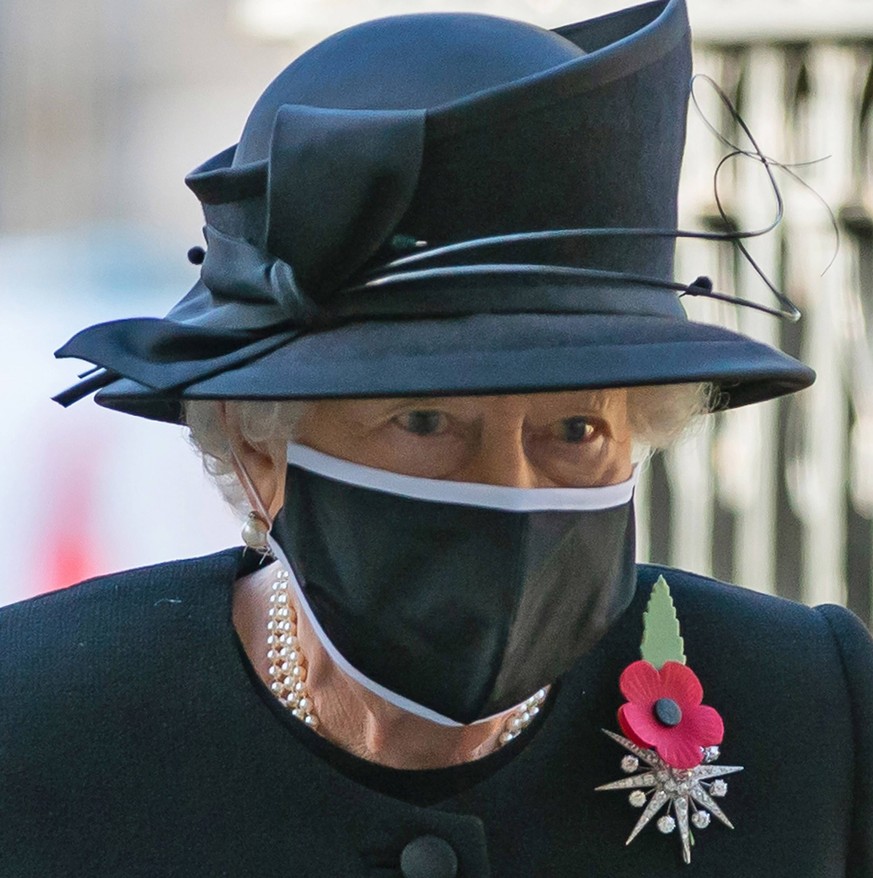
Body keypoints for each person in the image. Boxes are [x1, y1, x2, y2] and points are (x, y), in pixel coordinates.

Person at [2, 0, 871, 875]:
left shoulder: (808, 710)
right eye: (426, 421)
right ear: (258, 442)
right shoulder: (34, 717)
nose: (513, 489)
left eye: (575, 428)